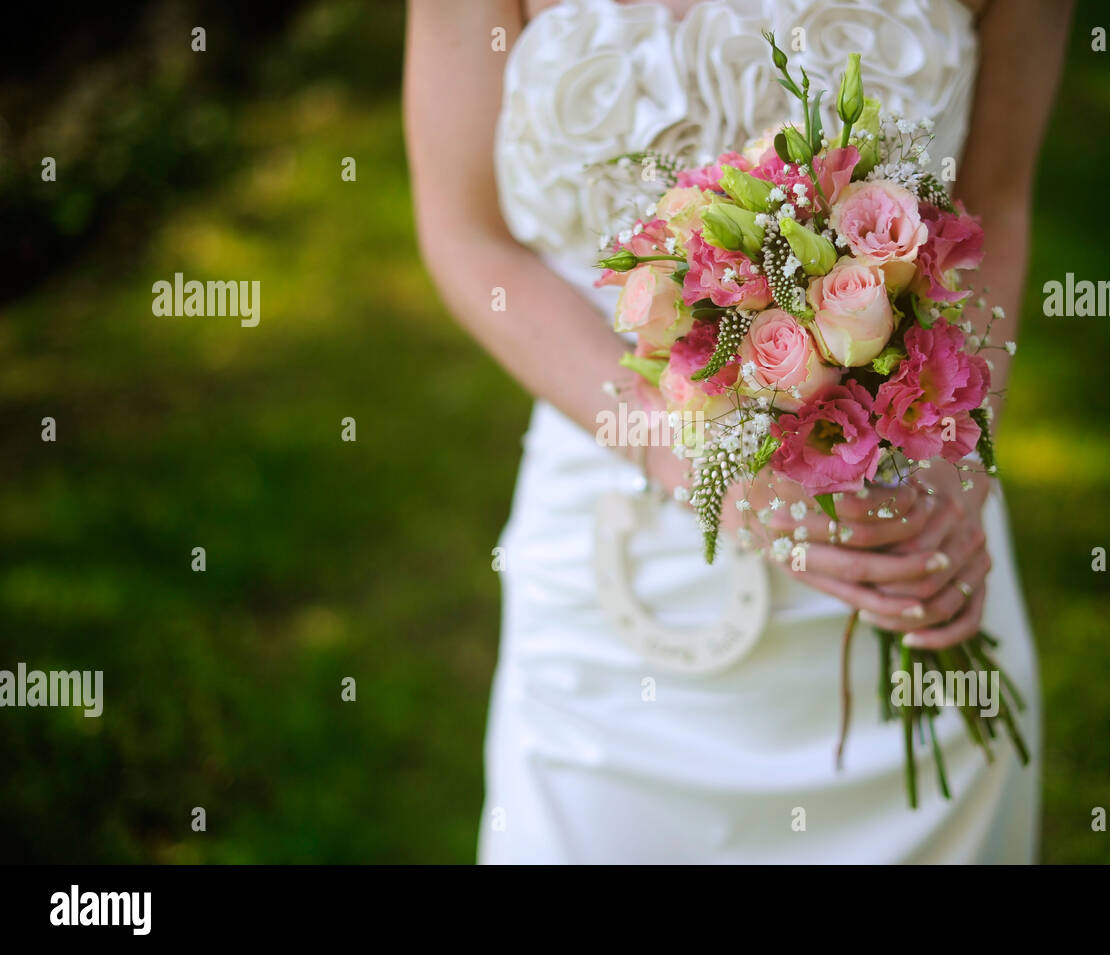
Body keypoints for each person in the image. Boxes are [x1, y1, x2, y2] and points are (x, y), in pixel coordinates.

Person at [405, 0, 1072, 863]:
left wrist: (959, 466)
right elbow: (467, 236)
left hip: (907, 550)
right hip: (616, 579)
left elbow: (998, 205)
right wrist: (685, 451)